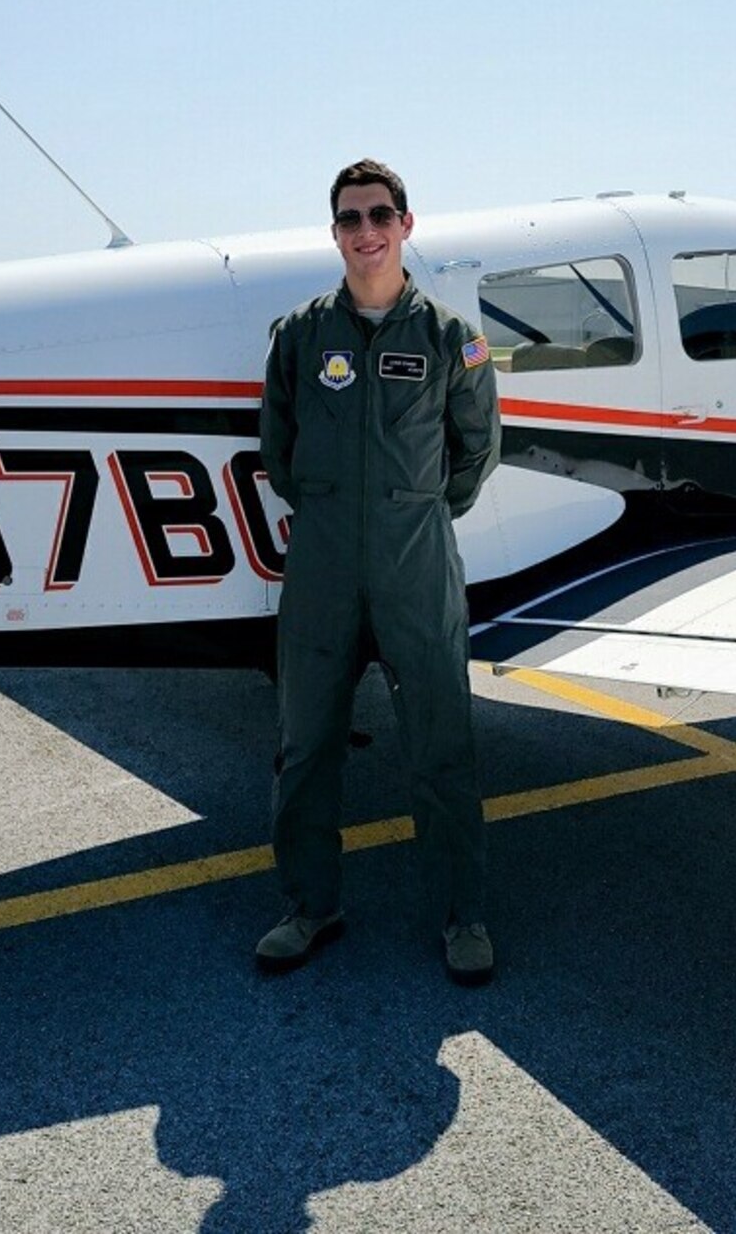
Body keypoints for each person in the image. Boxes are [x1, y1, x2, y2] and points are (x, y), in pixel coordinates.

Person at [256, 159, 502, 984]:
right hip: (322, 567)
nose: (367, 230)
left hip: (416, 563)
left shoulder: (450, 338)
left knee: (441, 746)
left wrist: (413, 510)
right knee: (306, 744)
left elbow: (477, 450)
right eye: (350, 218)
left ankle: (463, 916)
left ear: (406, 224)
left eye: (380, 215)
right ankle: (307, 906)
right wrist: (336, 512)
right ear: (335, 232)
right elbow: (279, 452)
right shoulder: (298, 337)